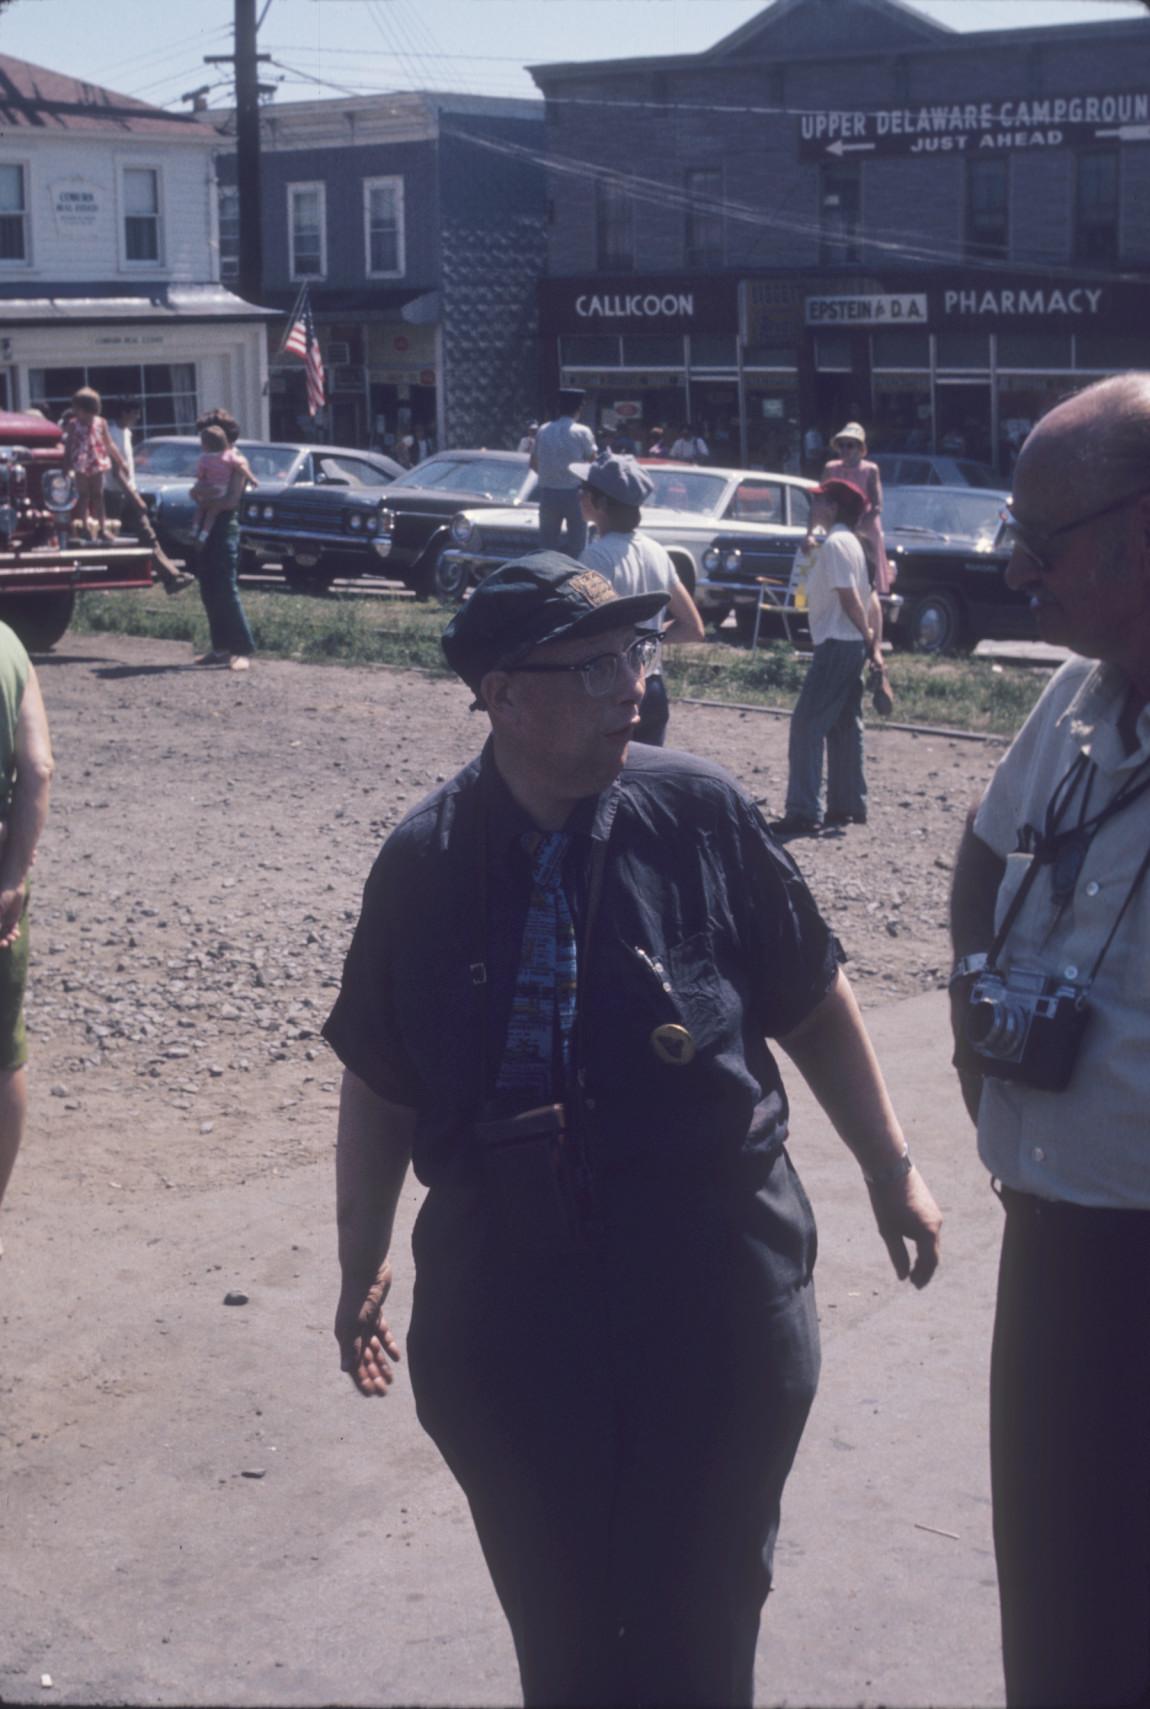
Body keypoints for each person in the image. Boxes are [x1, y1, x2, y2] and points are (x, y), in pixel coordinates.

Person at [324, 552, 942, 1709]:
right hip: (513, 1303)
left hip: (714, 1284)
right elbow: (380, 1080)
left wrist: (890, 1165)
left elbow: (810, 996)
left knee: (701, 1617)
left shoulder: (692, 811)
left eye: (638, 655)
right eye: (599, 662)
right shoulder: (424, 861)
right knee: (562, 1633)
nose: (634, 687)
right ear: (505, 695)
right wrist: (361, 1263)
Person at [947, 372, 1150, 1709]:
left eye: (1044, 538)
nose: (1017, 569)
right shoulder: (1078, 698)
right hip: (1056, 1233)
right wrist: (973, 1020)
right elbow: (977, 846)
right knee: (1058, 1613)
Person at [771, 476, 883, 839]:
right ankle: (848, 803)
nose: (813, 506)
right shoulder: (854, 543)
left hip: (837, 641)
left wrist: (867, 638)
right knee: (845, 722)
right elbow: (872, 599)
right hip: (850, 642)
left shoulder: (836, 544)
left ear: (833, 507)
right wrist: (872, 644)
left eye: (819, 501)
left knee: (807, 723)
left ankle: (803, 811)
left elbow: (850, 597)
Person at [573, 451, 704, 745]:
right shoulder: (657, 552)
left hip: (611, 690)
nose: (579, 495)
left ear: (601, 503)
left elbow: (584, 630)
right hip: (652, 687)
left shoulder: (595, 557)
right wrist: (645, 641)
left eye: (585, 490)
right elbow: (693, 627)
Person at [0, 626, 54, 1252]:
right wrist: (13, 876)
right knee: (1, 1052)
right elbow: (37, 766)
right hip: (0, 882)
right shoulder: (9, 647)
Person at [189, 407, 256, 672]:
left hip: (224, 528)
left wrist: (206, 499)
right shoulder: (210, 459)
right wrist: (199, 494)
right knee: (209, 589)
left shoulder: (237, 461)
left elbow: (231, 500)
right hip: (207, 526)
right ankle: (220, 648)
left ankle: (242, 649)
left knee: (227, 589)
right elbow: (196, 489)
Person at [823, 423, 893, 594]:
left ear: (860, 448)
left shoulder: (870, 469)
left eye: (850, 445)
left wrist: (858, 527)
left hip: (865, 527)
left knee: (869, 578)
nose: (845, 450)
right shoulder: (831, 468)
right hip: (839, 525)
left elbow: (877, 506)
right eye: (842, 445)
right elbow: (822, 498)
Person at [61, 387, 131, 544]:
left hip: (97, 461)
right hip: (81, 462)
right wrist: (66, 464)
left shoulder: (101, 423)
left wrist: (121, 461)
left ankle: (102, 528)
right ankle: (85, 528)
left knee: (98, 495)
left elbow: (109, 444)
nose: (84, 416)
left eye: (88, 412)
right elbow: (69, 445)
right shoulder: (73, 424)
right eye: (80, 411)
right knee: (84, 496)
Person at [531, 390, 596, 555]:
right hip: (575, 493)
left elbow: (533, 463)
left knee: (547, 545)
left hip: (548, 492)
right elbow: (593, 463)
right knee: (578, 546)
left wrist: (550, 475)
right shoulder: (582, 431)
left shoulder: (543, 430)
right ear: (578, 408)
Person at [191, 424, 256, 544]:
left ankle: (195, 530)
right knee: (212, 513)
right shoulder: (230, 456)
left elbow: (200, 475)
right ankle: (203, 535)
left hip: (208, 487)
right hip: (221, 489)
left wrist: (198, 488)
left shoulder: (204, 458)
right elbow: (241, 467)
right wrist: (252, 478)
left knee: (201, 509)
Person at [102, 397, 141, 530]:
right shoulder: (112, 434)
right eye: (135, 413)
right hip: (114, 493)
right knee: (114, 530)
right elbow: (116, 472)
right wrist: (135, 498)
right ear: (124, 412)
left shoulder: (127, 433)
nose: (138, 417)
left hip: (128, 490)